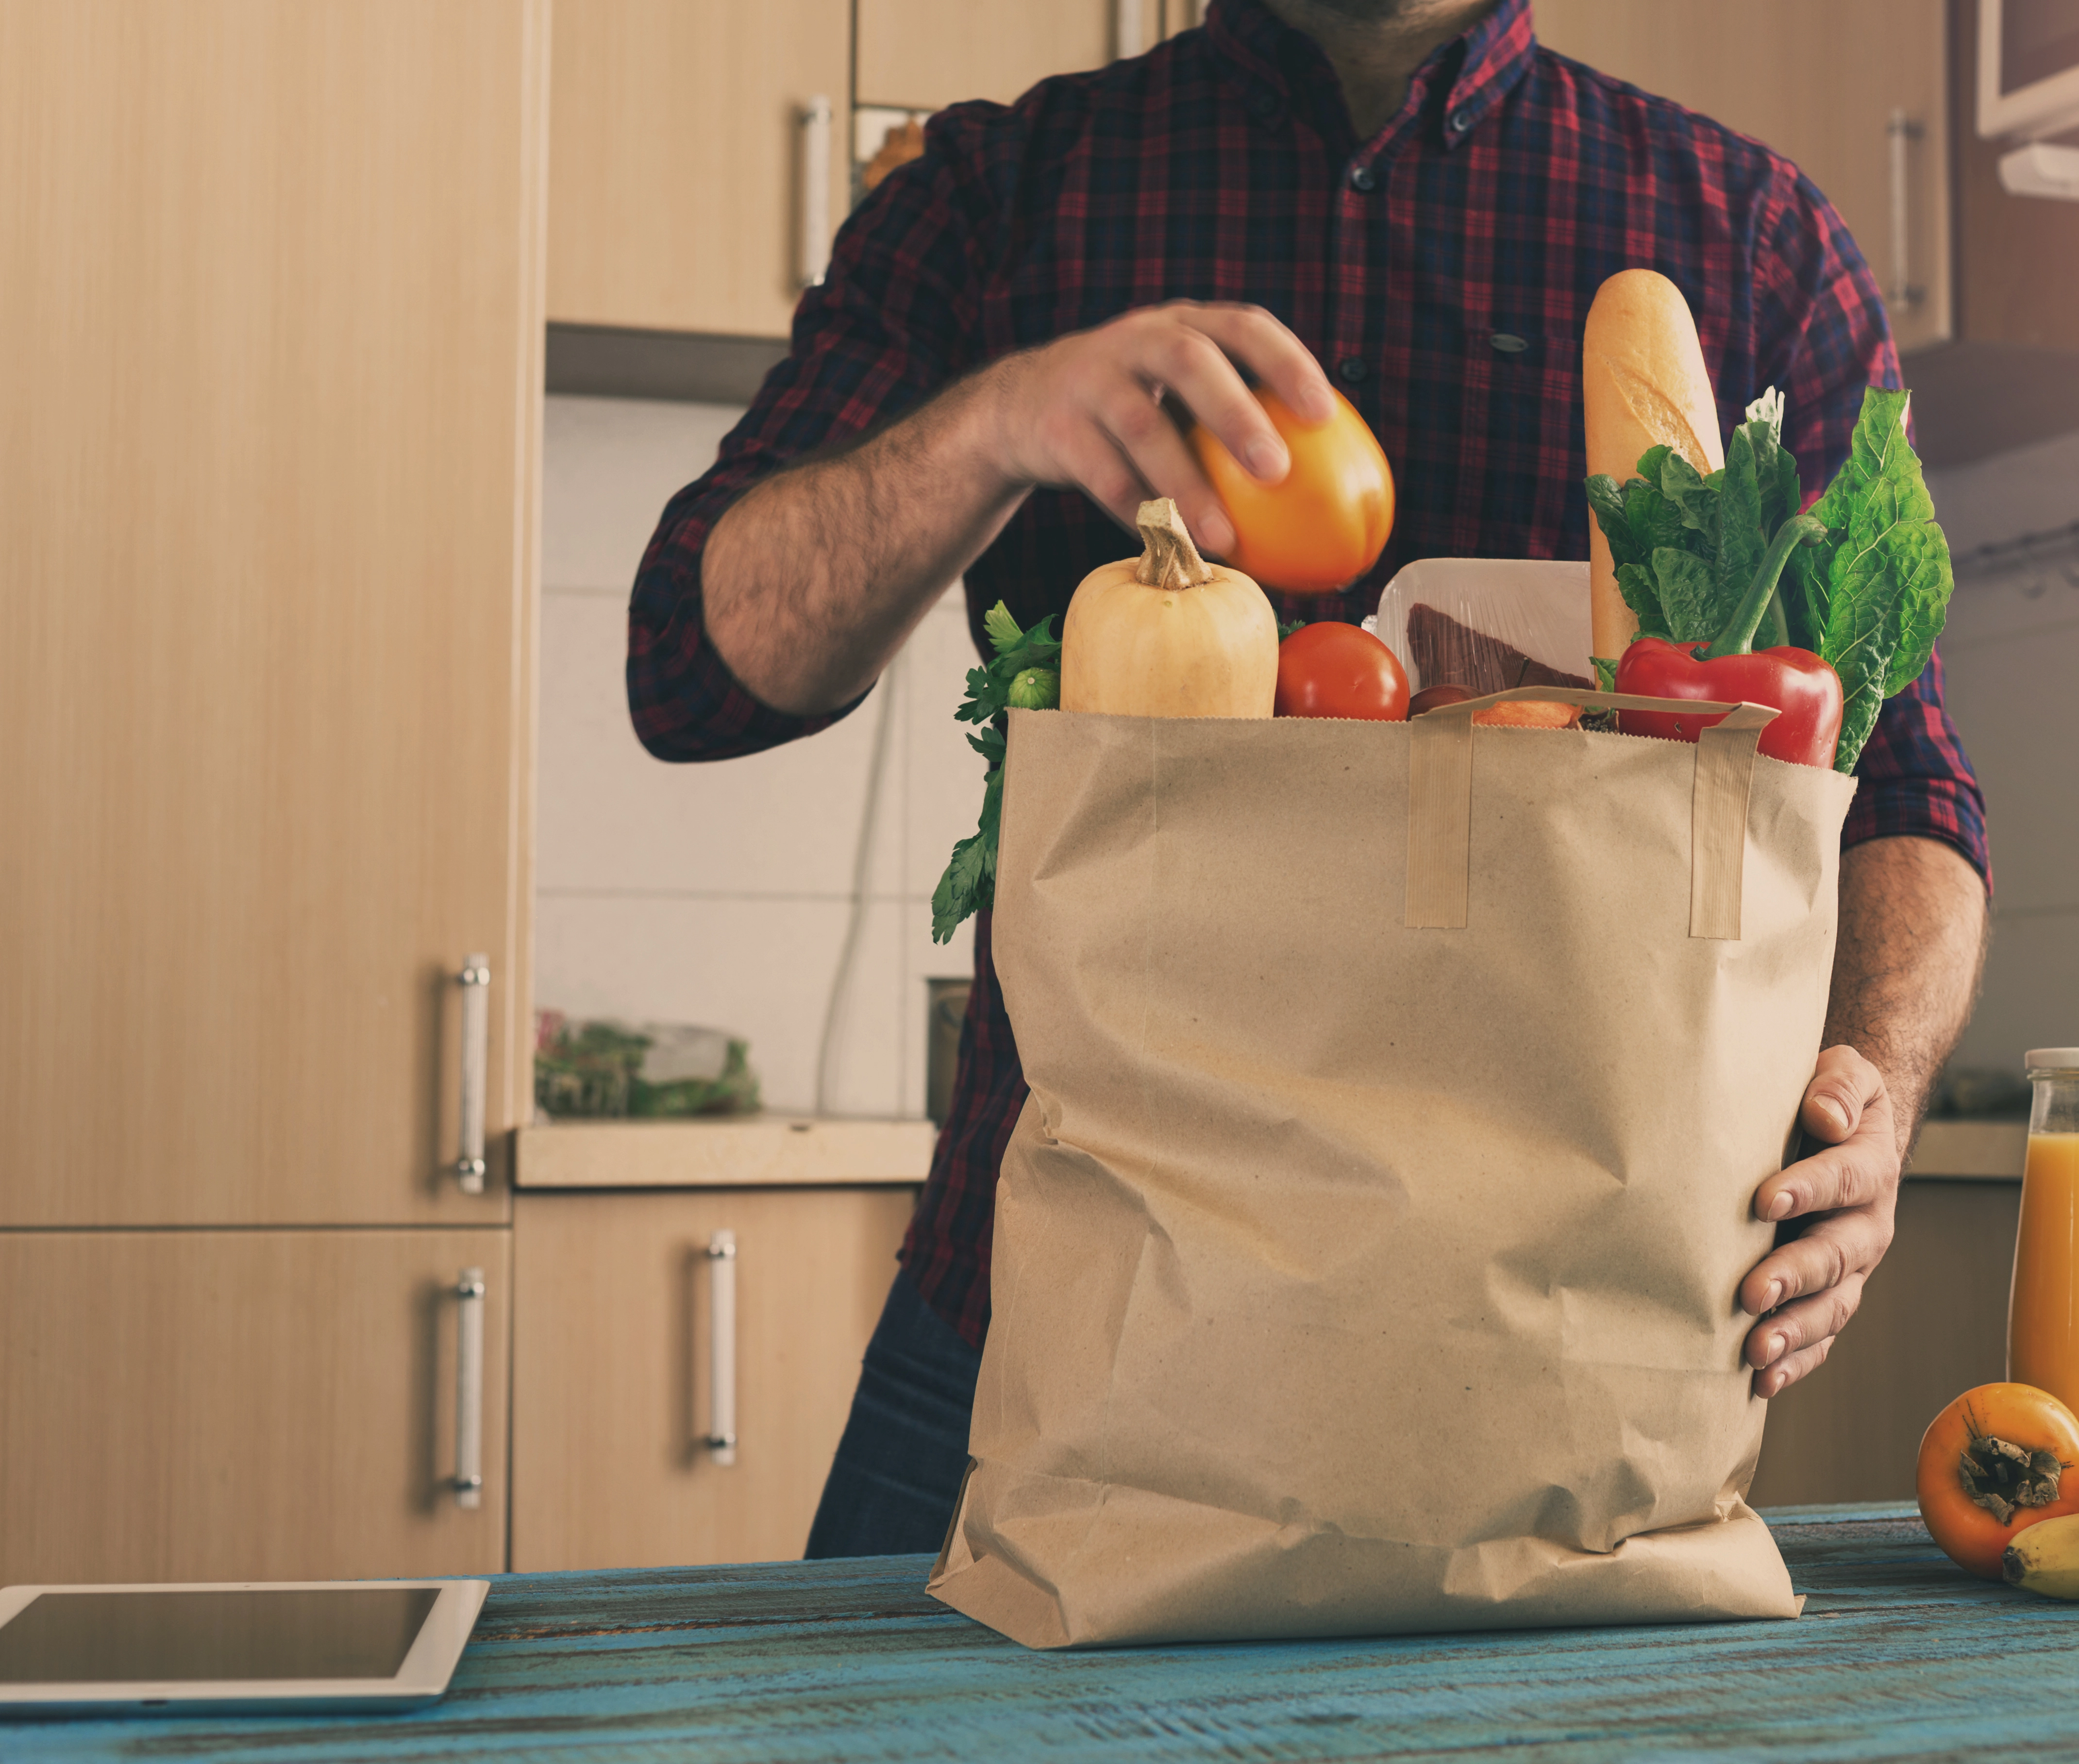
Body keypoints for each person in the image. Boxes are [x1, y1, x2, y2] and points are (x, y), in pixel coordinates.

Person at [628, 0, 1991, 1559]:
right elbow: (698, 661)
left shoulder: (1743, 238)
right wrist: (999, 420)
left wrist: (1867, 1110)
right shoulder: (1000, 189)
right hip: (1056, 1306)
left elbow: (1902, 788)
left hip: (1561, 1340)